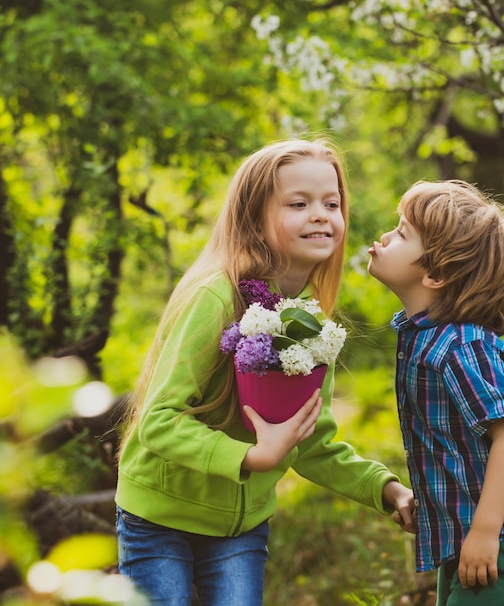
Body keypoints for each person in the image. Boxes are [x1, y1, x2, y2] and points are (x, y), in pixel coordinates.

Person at [115, 138, 415, 606]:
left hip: (242, 525)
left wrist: (386, 488)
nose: (320, 214)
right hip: (159, 517)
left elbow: (308, 440)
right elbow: (157, 420)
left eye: (331, 203)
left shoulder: (314, 326)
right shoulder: (214, 298)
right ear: (254, 218)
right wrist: (251, 457)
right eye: (299, 203)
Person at [367, 180, 504, 606]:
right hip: (467, 527)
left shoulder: (459, 347)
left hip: (501, 532)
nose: (384, 238)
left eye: (401, 234)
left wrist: (487, 530)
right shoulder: (426, 340)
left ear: (436, 275)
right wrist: (435, 499)